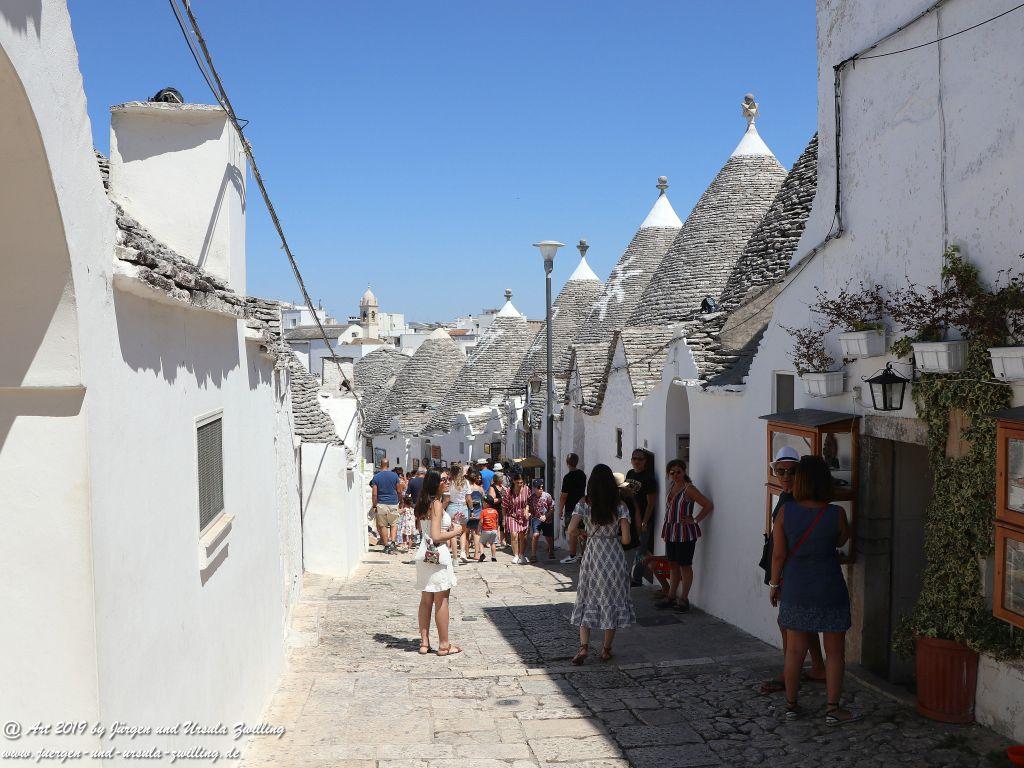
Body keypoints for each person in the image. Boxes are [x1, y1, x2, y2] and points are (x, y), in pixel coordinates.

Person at [770, 455, 855, 725]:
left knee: (794, 651)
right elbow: (841, 539)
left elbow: (778, 555)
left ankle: (791, 705)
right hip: (829, 588)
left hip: (796, 587)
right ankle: (832, 708)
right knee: (835, 652)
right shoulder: (836, 513)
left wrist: (774, 584)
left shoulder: (785, 513)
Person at [760, 447, 827, 694]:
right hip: (793, 570)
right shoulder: (788, 496)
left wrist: (775, 582)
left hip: (790, 572)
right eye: (781, 471)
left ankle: (791, 674)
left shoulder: (793, 501)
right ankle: (817, 666)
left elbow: (783, 549)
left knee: (788, 623)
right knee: (803, 623)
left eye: (792, 471)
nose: (786, 476)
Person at [567, 464, 635, 663]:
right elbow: (626, 540)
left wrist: (583, 532)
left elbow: (571, 530)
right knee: (611, 601)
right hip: (613, 557)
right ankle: (606, 650)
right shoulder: (620, 506)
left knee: (586, 598)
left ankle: (583, 647)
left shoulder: (584, 503)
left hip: (592, 556)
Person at [414, 471, 463, 656]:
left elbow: (428, 530)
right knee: (441, 600)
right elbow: (436, 536)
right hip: (438, 554)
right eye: (444, 479)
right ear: (435, 483)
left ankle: (424, 642)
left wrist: (447, 525)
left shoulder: (424, 502)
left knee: (426, 599)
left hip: (424, 554)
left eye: (448, 479)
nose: (448, 482)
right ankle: (444, 644)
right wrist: (456, 531)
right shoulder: (436, 503)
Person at [657, 459, 714, 612]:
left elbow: (708, 505)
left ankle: (684, 599)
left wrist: (694, 520)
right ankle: (671, 596)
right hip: (671, 532)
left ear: (684, 472)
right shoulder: (672, 487)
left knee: (685, 565)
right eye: (672, 472)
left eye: (679, 472)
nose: (676, 475)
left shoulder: (689, 489)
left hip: (685, 534)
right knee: (673, 564)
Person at [626, 449, 660, 588]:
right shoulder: (630, 473)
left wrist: (645, 522)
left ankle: (637, 579)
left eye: (640, 459)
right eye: (634, 458)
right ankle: (627, 576)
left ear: (645, 461)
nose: (637, 461)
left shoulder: (649, 479)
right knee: (630, 548)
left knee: (640, 550)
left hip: (643, 521)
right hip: (630, 518)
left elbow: (651, 503)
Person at [559, 454, 587, 564]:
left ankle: (572, 555)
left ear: (567, 462)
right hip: (582, 506)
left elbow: (564, 496)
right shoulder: (582, 475)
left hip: (571, 508)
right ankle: (584, 554)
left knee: (572, 532)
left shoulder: (567, 477)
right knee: (581, 530)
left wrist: (560, 510)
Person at [370, 458, 401, 554]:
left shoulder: (376, 477)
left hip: (381, 503)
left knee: (383, 525)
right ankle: (393, 543)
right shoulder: (395, 476)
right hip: (393, 503)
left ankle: (386, 546)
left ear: (380, 465)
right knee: (394, 523)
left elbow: (374, 494)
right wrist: (400, 501)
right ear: (388, 465)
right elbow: (399, 490)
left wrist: (374, 505)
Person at [502, 473, 531, 564]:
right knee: (514, 535)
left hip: (523, 516)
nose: (520, 484)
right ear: (514, 482)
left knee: (523, 536)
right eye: (518, 483)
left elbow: (529, 502)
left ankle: (521, 554)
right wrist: (504, 519)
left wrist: (527, 510)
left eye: (521, 482)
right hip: (512, 515)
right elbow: (504, 507)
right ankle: (515, 555)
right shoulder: (508, 491)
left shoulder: (526, 489)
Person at [446, 463, 472, 564]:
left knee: (452, 533)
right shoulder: (466, 482)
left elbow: (447, 499)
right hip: (463, 507)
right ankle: (463, 552)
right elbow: (468, 498)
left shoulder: (449, 483)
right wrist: (471, 509)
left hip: (452, 507)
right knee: (463, 532)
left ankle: (455, 558)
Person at [528, 479, 556, 561]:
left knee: (548, 536)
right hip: (536, 519)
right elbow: (530, 509)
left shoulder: (547, 496)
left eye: (541, 487)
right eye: (538, 487)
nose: (541, 489)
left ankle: (551, 551)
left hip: (547, 519)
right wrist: (529, 513)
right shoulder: (531, 498)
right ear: (534, 488)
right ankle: (533, 555)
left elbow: (552, 508)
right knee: (535, 535)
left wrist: (546, 516)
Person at [466, 468, 485, 559]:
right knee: (477, 533)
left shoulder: (467, 488)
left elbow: (466, 499)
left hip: (468, 511)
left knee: (466, 533)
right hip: (478, 511)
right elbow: (483, 499)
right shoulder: (480, 488)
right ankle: (476, 554)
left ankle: (466, 553)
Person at [477, 494, 500, 562]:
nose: (482, 504)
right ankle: (494, 557)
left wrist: (479, 529)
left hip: (486, 530)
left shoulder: (483, 511)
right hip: (494, 530)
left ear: (486, 503)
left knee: (481, 542)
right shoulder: (495, 511)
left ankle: (482, 554)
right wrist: (497, 530)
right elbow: (497, 521)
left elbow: (481, 522)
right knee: (493, 543)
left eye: (483, 502)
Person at [490, 471, 507, 547]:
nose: (503, 479)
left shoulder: (502, 486)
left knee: (502, 525)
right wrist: (501, 499)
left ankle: (502, 540)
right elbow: (492, 500)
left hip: (502, 508)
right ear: (498, 479)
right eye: (502, 478)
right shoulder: (492, 487)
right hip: (495, 509)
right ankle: (495, 540)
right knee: (495, 525)